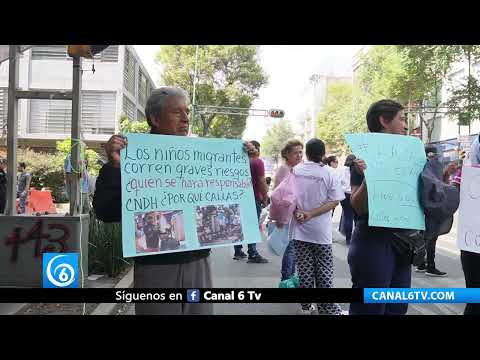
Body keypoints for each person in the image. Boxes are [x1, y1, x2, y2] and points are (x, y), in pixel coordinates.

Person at [93, 87, 213, 315]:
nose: (186, 118)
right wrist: (115, 167)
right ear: (155, 118)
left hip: (198, 263)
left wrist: (239, 159)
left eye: (187, 112)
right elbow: (106, 212)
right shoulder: (131, 157)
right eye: (177, 112)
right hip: (157, 268)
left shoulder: (201, 156)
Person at [348, 99, 413, 315]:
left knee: (396, 309)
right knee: (370, 309)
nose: (406, 125)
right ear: (384, 121)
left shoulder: (410, 156)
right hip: (372, 243)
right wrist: (371, 178)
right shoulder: (362, 157)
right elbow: (357, 206)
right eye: (402, 119)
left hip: (403, 243)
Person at [291, 138, 345, 315]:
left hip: (299, 230)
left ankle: (306, 308)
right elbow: (335, 201)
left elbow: (287, 197)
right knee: (324, 271)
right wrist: (311, 214)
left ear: (306, 153)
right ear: (322, 154)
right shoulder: (329, 173)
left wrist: (299, 212)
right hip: (320, 233)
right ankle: (327, 308)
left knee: (304, 271)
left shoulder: (296, 170)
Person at [415, 145, 457, 277]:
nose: (437, 158)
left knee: (425, 235)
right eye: (435, 155)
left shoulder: (422, 167)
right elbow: (439, 188)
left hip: (423, 207)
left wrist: (446, 174)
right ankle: (430, 267)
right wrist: (446, 174)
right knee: (431, 236)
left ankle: (422, 263)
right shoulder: (430, 167)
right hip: (431, 208)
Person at [233, 140, 269, 263]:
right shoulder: (257, 162)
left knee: (240, 224)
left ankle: (238, 251)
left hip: (239, 197)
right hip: (253, 198)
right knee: (252, 225)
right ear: (257, 149)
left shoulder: (238, 162)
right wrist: (265, 197)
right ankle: (252, 253)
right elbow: (261, 181)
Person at [272, 139, 303, 281]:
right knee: (290, 249)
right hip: (286, 217)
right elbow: (278, 197)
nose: (299, 155)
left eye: (301, 152)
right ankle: (287, 279)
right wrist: (280, 218)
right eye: (295, 153)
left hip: (295, 216)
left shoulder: (296, 169)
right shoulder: (284, 169)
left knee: (294, 249)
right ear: (287, 154)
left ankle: (290, 278)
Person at [339, 154, 356, 245]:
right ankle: (357, 238)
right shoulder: (357, 170)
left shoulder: (342, 170)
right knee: (357, 217)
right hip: (354, 194)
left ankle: (348, 239)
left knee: (347, 216)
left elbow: (338, 182)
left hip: (344, 195)